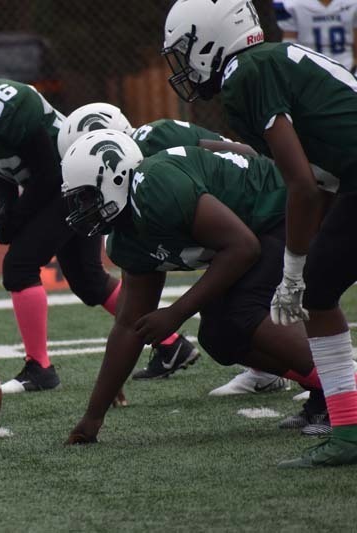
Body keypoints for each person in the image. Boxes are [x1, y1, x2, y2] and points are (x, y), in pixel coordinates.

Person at [0, 33, 197, 394]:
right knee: (88, 281)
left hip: (77, 182)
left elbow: (49, 174)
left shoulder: (11, 104)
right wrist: (5, 207)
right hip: (58, 187)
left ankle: (39, 369)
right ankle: (172, 344)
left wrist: (17, 215)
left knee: (19, 266)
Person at [162, 0, 357, 467]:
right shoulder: (263, 63)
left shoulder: (245, 73)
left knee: (317, 289)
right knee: (321, 287)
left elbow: (303, 187)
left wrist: (292, 269)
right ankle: (348, 428)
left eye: (186, 50)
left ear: (210, 38)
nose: (185, 65)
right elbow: (320, 182)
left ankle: (349, 432)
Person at [62, 130, 340, 448]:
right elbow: (128, 325)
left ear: (115, 176)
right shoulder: (127, 238)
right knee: (219, 337)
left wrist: (176, 313)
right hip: (258, 227)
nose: (82, 209)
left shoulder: (155, 187)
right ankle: (327, 391)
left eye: (86, 197)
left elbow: (242, 248)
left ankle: (347, 388)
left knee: (244, 310)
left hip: (283, 206)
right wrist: (93, 416)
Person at [58, 102, 291, 394]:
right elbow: (131, 315)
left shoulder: (157, 148)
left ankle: (333, 378)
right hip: (241, 231)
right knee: (218, 330)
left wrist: (177, 312)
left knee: (246, 308)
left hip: (269, 208)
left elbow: (236, 155)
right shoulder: (133, 205)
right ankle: (275, 371)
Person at [274, 0, 357, 72]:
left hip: (346, 66)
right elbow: (289, 42)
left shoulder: (352, 3)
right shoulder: (293, 4)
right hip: (308, 66)